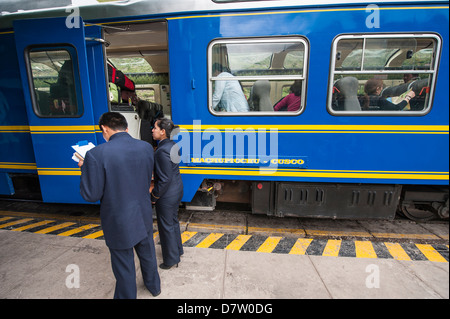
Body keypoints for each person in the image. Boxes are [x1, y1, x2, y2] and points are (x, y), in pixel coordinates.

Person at [78, 112, 160, 299]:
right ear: (127, 128)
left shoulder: (96, 155)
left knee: (123, 263)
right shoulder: (146, 147)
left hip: (119, 219)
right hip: (143, 212)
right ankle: (154, 287)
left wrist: (85, 168)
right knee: (147, 253)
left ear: (104, 129)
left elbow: (91, 194)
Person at [151, 118, 184, 269]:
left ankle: (170, 260)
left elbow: (164, 179)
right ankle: (178, 250)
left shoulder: (161, 150)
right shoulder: (173, 145)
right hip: (177, 189)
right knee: (172, 222)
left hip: (167, 195)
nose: (152, 130)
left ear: (162, 132)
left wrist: (154, 196)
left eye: (155, 128)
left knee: (166, 227)